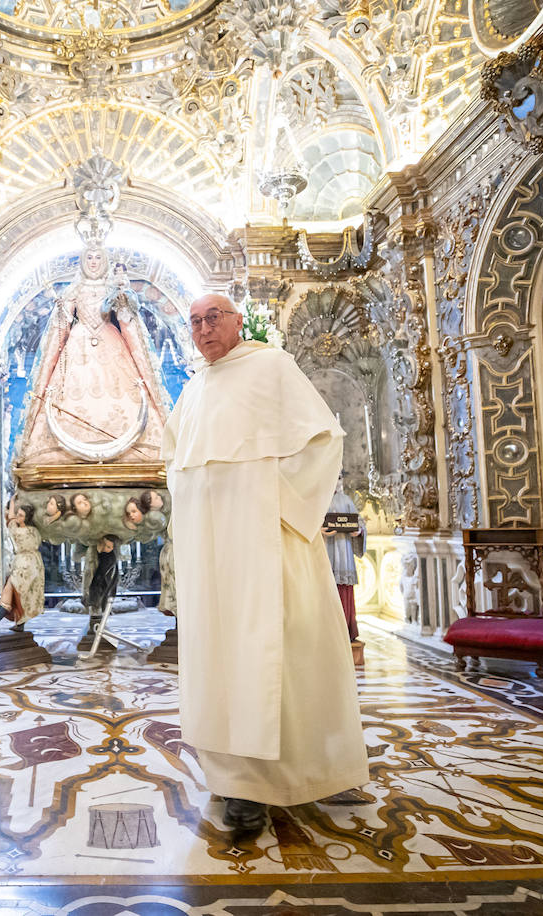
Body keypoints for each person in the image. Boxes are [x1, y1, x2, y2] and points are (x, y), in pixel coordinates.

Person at [163, 293, 368, 831]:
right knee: (220, 658)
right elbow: (175, 464)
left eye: (214, 318)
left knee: (281, 650)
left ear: (236, 323)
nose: (204, 329)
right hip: (211, 556)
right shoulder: (193, 389)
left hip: (268, 543)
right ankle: (232, 778)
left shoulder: (271, 366)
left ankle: (300, 770)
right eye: (195, 322)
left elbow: (323, 440)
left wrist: (278, 505)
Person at [17, 243, 170, 468]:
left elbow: (127, 320)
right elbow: (61, 327)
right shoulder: (74, 290)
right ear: (83, 261)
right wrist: (61, 313)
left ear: (105, 261)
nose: (94, 262)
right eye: (89, 257)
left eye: (98, 257)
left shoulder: (113, 287)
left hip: (110, 340)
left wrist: (123, 298)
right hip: (78, 345)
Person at [0, 502, 45, 638]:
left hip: (24, 566)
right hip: (34, 564)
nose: (17, 517)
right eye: (18, 514)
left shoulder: (20, 531)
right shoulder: (35, 531)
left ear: (26, 518)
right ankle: (19, 625)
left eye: (20, 515)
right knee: (21, 596)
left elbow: (10, 519)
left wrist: (13, 500)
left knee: (10, 591)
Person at [322, 472, 366, 642]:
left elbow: (359, 523)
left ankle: (346, 631)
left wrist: (359, 532)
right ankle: (327, 635)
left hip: (344, 551)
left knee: (343, 590)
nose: (337, 481)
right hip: (326, 550)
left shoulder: (346, 500)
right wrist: (319, 531)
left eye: (339, 477)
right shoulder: (318, 499)